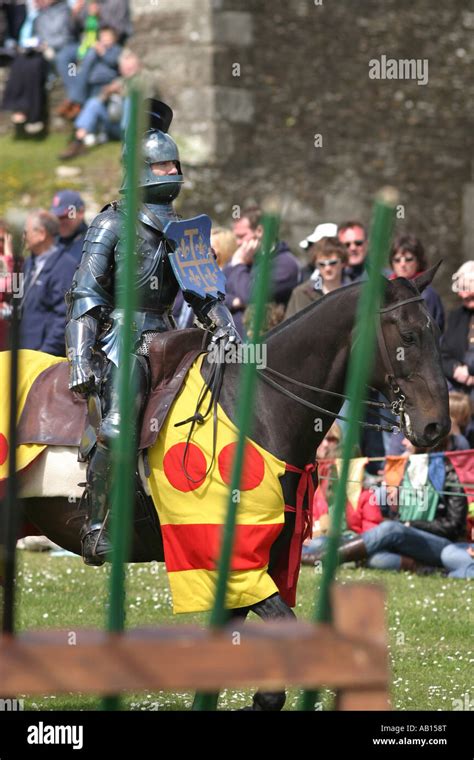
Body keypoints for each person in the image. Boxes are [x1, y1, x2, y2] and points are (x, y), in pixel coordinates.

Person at [65, 99, 241, 566]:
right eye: (161, 164)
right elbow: (85, 295)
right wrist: (81, 358)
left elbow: (206, 295)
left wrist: (229, 333)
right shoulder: (110, 223)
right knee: (120, 427)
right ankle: (96, 523)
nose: (170, 171)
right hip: (122, 339)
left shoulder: (185, 231)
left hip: (170, 335)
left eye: (173, 163)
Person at [0, 210, 77, 355]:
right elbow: (17, 299)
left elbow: (63, 316)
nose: (23, 237)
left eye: (26, 232)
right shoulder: (28, 263)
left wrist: (46, 352)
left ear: (41, 234)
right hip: (22, 353)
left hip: (43, 359)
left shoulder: (65, 266)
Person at [225, 205, 300, 338]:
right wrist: (234, 301)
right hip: (234, 344)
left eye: (241, 236)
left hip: (267, 346)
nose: (237, 242)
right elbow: (217, 291)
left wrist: (239, 266)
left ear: (259, 231)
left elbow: (251, 295)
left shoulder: (285, 264)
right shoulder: (245, 259)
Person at [389, 234, 444, 332]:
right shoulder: (386, 291)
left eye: (408, 259)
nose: (402, 264)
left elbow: (432, 333)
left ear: (419, 261)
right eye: (397, 260)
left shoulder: (427, 294)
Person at [284, 236, 349, 319]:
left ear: (343, 263)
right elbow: (288, 327)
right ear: (316, 264)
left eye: (333, 263)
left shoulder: (354, 291)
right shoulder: (302, 293)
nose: (327, 268)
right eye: (322, 264)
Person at [441, 261, 474, 400]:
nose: (463, 295)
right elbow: (443, 353)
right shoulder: (457, 316)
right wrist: (455, 370)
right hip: (459, 393)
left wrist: (470, 371)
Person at [49, 190, 87, 263]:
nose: (61, 222)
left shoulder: (92, 244)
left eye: (65, 216)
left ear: (81, 212)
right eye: (57, 217)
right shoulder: (51, 241)